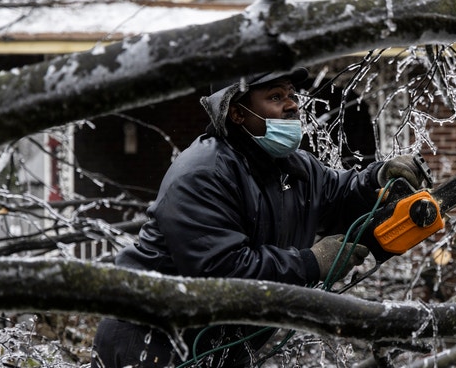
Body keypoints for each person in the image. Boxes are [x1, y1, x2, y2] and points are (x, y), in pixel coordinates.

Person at [91, 68, 427, 368]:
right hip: (151, 342)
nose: (292, 104)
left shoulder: (296, 168)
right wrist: (312, 262)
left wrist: (378, 178)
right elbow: (221, 272)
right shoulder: (203, 174)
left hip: (218, 343)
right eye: (276, 96)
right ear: (236, 112)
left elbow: (339, 197)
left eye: (292, 95)